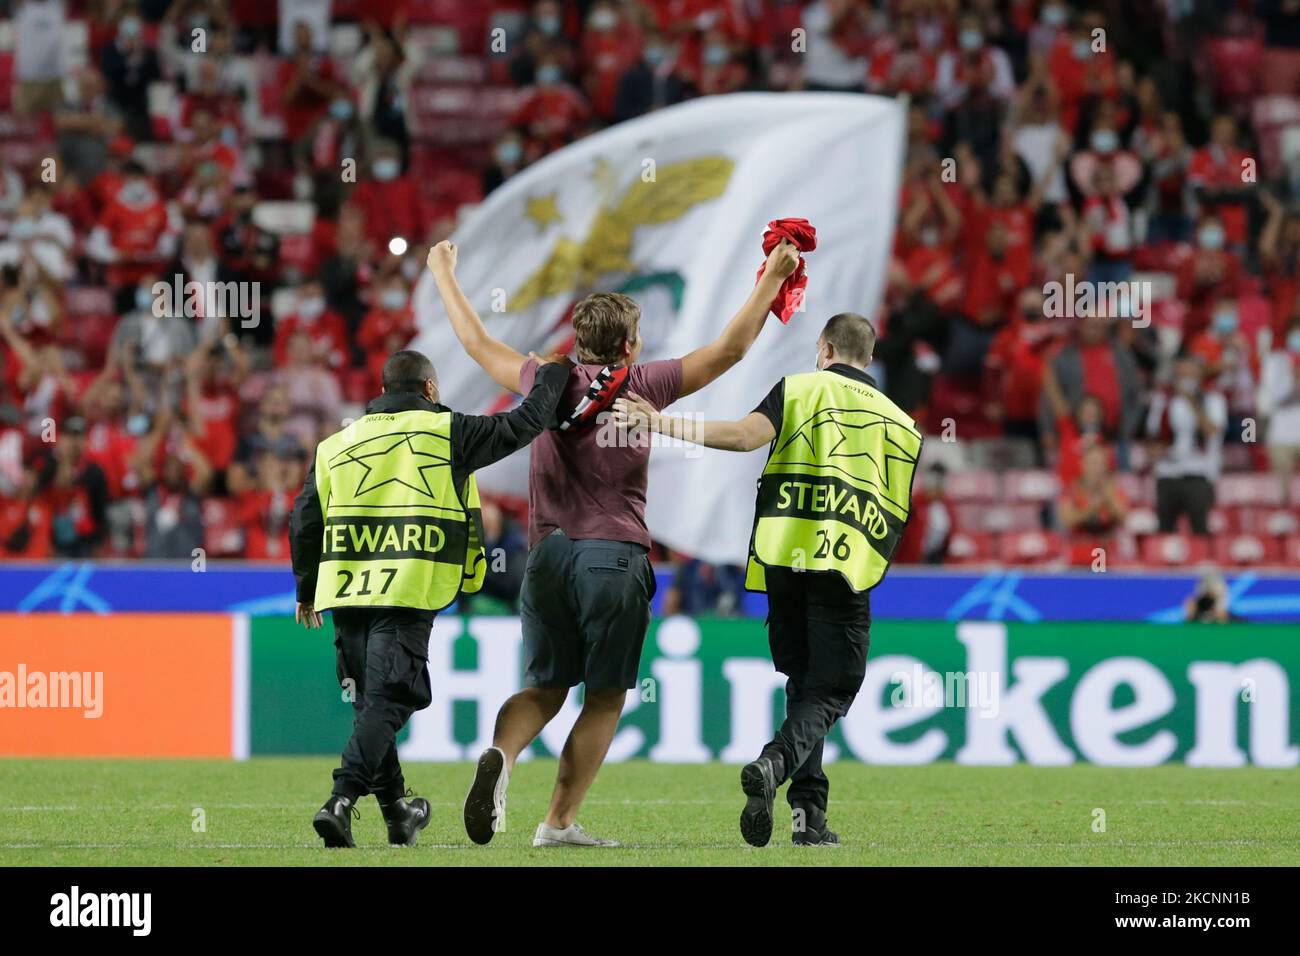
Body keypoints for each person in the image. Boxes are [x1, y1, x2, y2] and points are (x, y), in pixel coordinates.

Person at [426, 236, 800, 848]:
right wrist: (773, 278)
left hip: (545, 556)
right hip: (614, 557)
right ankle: (558, 823)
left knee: (544, 686)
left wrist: (442, 271)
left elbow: (474, 343)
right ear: (629, 345)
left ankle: (500, 754)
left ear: (579, 341)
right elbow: (731, 349)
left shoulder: (543, 380)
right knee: (604, 695)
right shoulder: (645, 385)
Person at [614, 313, 922, 848]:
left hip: (785, 559)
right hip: (845, 568)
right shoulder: (901, 423)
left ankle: (809, 821)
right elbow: (895, 508)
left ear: (823, 347)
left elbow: (741, 437)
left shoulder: (800, 389)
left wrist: (659, 421)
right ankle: (773, 764)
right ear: (868, 358)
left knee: (806, 685)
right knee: (834, 689)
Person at [289, 348, 569, 848]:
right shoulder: (450, 432)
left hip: (348, 592)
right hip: (409, 586)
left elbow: (306, 515)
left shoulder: (336, 444)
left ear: (382, 391)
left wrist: (306, 588)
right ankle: (341, 800)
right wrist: (551, 374)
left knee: (370, 705)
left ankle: (398, 811)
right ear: (431, 390)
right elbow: (527, 422)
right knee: (388, 700)